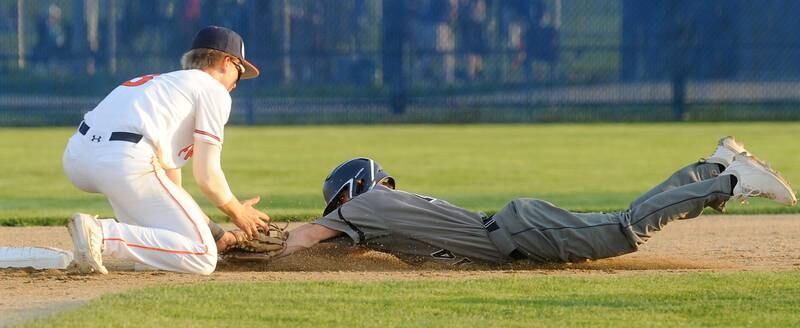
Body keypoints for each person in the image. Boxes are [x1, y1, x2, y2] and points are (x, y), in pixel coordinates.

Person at [262, 137, 796, 265]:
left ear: (346, 198)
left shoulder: (359, 211)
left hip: (516, 234)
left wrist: (249, 247)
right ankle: (712, 165)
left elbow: (309, 237)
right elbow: (345, 247)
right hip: (516, 227)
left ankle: (729, 181)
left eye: (337, 208)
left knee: (624, 231)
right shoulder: (384, 210)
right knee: (621, 220)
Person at [63, 26, 269, 275]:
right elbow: (207, 175)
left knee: (166, 238)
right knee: (203, 257)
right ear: (227, 61)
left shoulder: (166, 86)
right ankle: (102, 234)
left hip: (80, 157)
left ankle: (102, 237)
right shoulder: (212, 89)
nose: (237, 83)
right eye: (239, 70)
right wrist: (238, 212)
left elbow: (172, 190)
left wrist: (217, 234)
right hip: (125, 161)